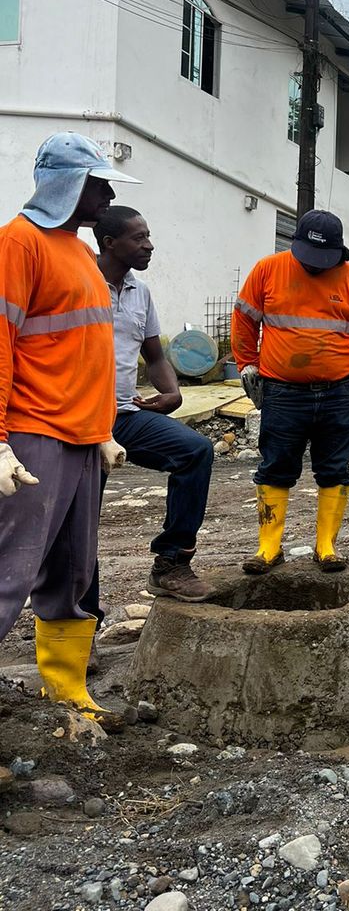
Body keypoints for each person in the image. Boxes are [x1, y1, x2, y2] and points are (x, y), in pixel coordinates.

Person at [0, 133, 137, 730]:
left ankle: (66, 690)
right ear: (66, 184)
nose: (107, 195)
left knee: (73, 571)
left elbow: (90, 349)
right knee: (10, 570)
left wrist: (103, 428)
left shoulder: (79, 252)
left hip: (82, 437)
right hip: (34, 433)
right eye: (97, 183)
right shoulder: (18, 243)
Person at [80, 206, 215, 639]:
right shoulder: (80, 281)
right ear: (109, 244)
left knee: (195, 451)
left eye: (148, 236)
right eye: (139, 238)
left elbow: (155, 356)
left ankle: (171, 563)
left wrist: (172, 391)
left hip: (125, 414)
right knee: (81, 521)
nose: (149, 246)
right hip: (79, 421)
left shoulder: (141, 292)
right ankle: (82, 625)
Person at [232, 209, 349, 573]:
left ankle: (326, 546)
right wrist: (247, 365)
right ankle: (269, 547)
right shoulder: (268, 270)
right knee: (275, 466)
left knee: (335, 468)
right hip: (282, 392)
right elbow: (244, 319)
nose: (315, 266)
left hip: (339, 392)